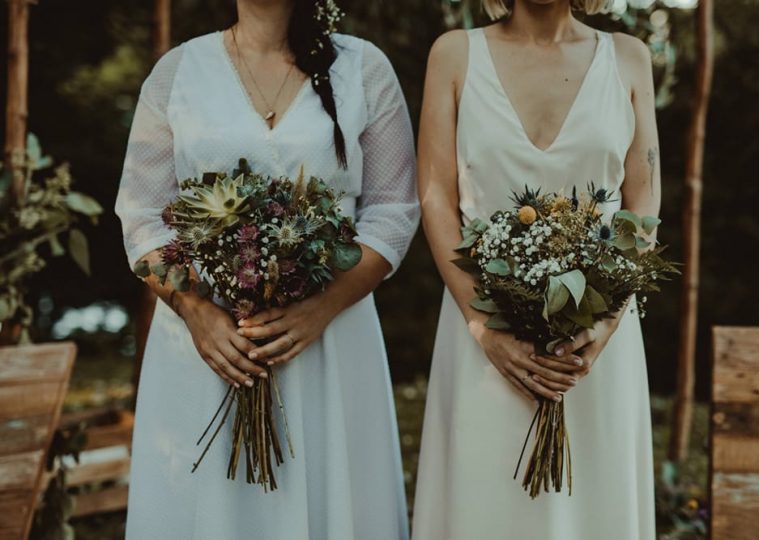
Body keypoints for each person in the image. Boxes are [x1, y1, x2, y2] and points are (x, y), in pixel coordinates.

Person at [114, 1, 418, 538]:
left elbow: (393, 211)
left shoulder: (363, 69)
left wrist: (321, 307)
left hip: (329, 341)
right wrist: (196, 312)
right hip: (208, 349)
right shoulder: (179, 72)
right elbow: (141, 216)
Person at [412, 0, 660, 537]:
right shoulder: (455, 55)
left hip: (597, 348)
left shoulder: (629, 58)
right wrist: (484, 327)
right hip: (483, 332)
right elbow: (435, 197)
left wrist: (604, 323)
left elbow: (642, 202)